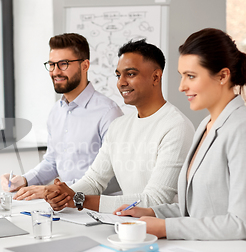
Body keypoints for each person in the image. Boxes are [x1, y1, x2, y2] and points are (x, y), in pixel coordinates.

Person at [115, 28, 246, 252]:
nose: (181, 86)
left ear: (223, 76)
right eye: (181, 76)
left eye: (191, 76)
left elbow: (242, 223)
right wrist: (152, 212)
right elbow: (200, 207)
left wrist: (165, 226)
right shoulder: (205, 125)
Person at [44, 39, 195, 212]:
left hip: (165, 232)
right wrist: (63, 195)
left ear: (155, 76)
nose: (121, 82)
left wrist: (78, 199)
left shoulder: (176, 127)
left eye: (130, 74)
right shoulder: (119, 126)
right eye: (118, 75)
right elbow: (94, 181)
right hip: (126, 226)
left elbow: (154, 201)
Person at [0, 33, 123, 200]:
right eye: (51, 65)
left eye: (63, 64)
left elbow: (113, 174)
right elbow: (52, 162)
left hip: (100, 208)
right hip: (67, 204)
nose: (55, 72)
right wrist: (24, 180)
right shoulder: (56, 112)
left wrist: (53, 190)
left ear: (85, 65)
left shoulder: (108, 113)